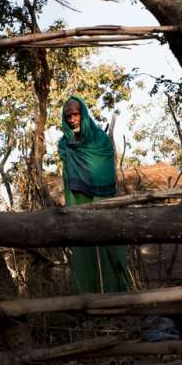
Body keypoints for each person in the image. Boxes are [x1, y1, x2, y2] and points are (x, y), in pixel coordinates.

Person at [58, 95, 130, 294]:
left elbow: (105, 169)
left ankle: (117, 293)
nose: (72, 119)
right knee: (82, 243)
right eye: (68, 116)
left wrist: (99, 194)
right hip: (77, 198)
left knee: (108, 240)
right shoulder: (64, 144)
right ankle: (86, 295)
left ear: (83, 114)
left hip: (103, 198)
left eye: (75, 114)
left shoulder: (101, 141)